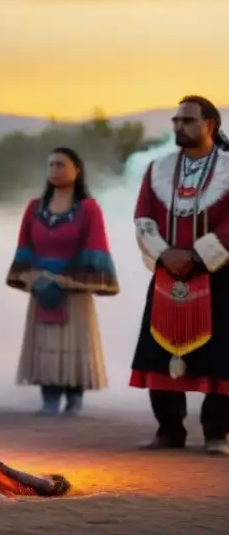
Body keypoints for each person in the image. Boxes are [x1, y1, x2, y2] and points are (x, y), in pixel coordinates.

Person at [131, 95, 229, 456]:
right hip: (167, 274)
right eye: (175, 120)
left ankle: (217, 433)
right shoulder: (158, 169)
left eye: (187, 120)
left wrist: (197, 255)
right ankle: (169, 430)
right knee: (161, 353)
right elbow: (143, 218)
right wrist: (165, 253)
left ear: (209, 125)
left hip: (220, 275)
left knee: (221, 358)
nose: (178, 126)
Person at [6, 147, 119, 416]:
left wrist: (65, 278)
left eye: (60, 165)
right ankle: (49, 399)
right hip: (41, 287)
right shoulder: (35, 208)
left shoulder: (89, 209)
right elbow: (25, 246)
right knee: (45, 342)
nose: (54, 170)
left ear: (76, 170)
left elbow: (95, 246)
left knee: (73, 342)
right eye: (51, 165)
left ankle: (74, 400)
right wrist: (33, 276)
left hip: (74, 289)